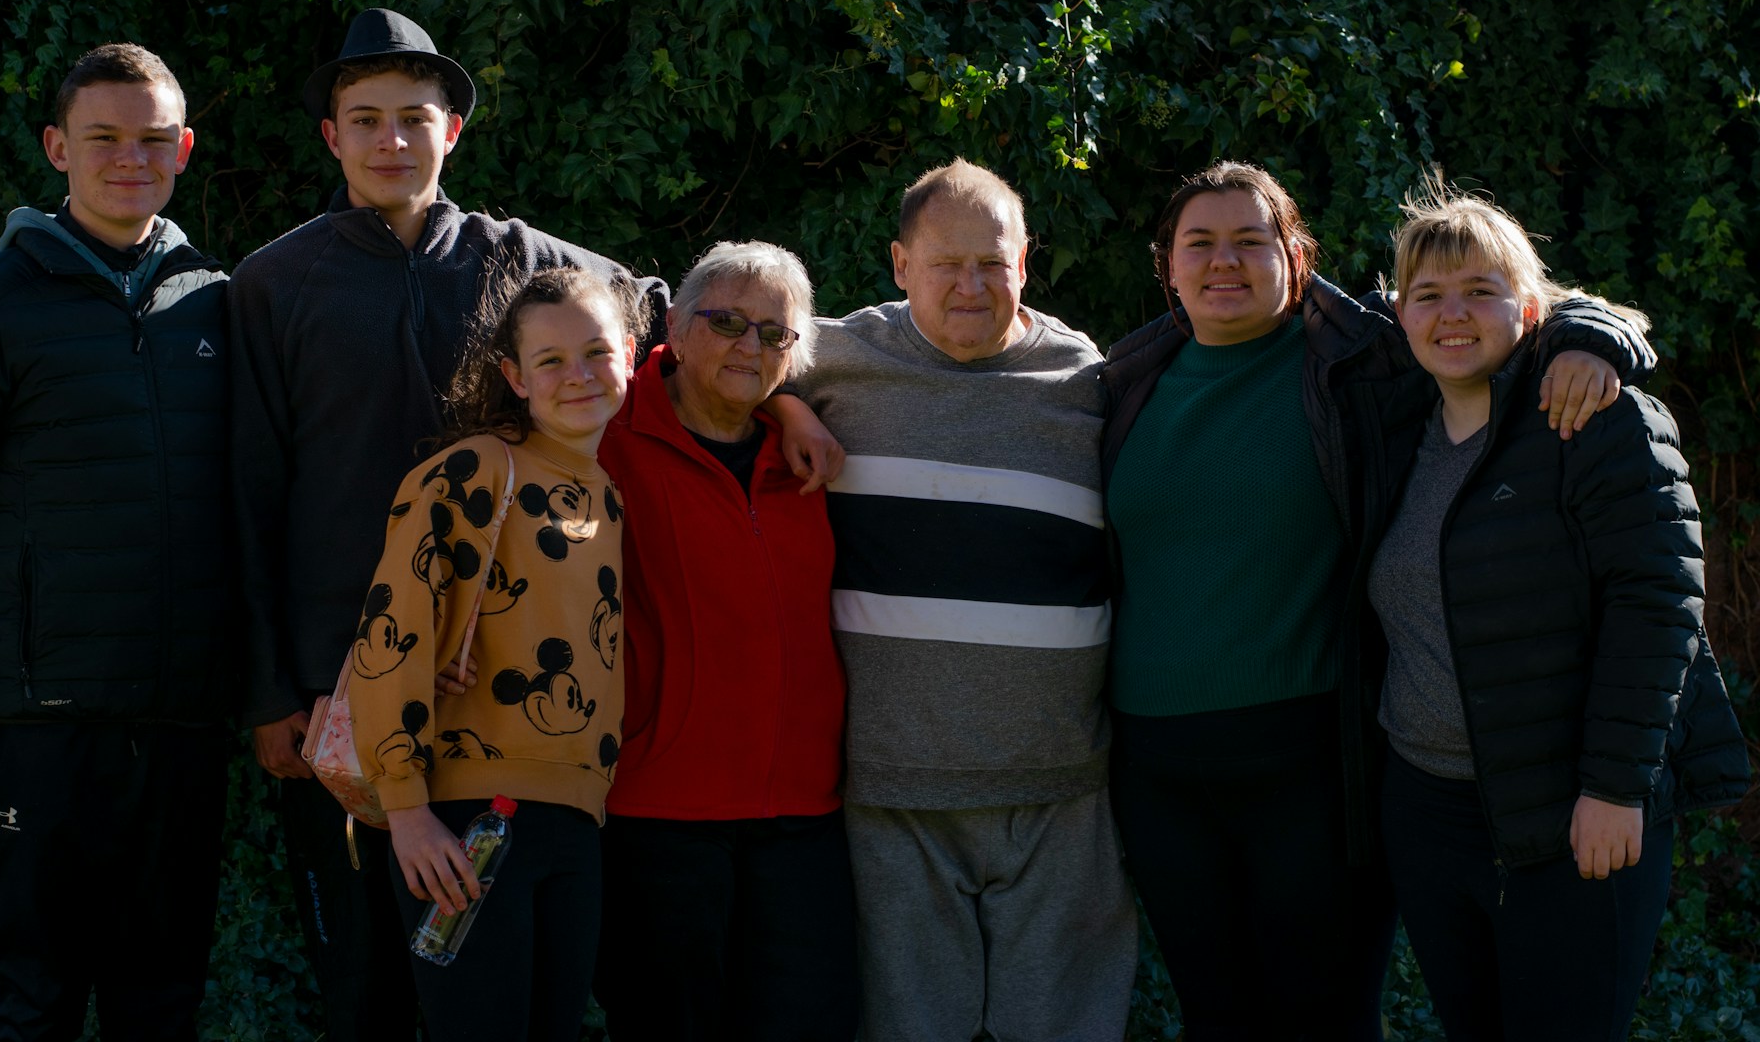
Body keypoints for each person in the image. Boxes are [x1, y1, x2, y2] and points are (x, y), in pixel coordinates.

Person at [1098, 161, 1655, 1041]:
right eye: (1199, 243)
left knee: (1325, 1015)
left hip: (1314, 758)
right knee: (1215, 1014)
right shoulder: (1119, 383)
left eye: (1253, 240)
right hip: (1157, 771)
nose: (1224, 261)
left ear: (1298, 257)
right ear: (1166, 263)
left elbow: (1508, 313)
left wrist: (1596, 340)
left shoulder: (1363, 365)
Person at [227, 7, 675, 1040]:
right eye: (367, 118)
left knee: (498, 992)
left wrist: (782, 396)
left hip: (502, 705)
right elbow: (249, 494)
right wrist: (268, 688)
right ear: (331, 135)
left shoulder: (518, 255)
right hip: (337, 691)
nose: (393, 140)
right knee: (365, 987)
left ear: (453, 132)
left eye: (415, 118)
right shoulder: (273, 283)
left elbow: (654, 309)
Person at [0, 44, 232, 1040]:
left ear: (184, 149)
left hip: (181, 725)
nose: (129, 158)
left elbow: (257, 507)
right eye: (103, 137)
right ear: (55, 147)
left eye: (153, 139)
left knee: (163, 1003)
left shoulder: (221, 306)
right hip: (32, 729)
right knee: (32, 1004)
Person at [1369, 190, 1749, 1041]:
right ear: (1400, 315)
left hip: (1574, 815)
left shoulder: (1596, 418)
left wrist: (1615, 787)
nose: (1452, 314)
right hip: (1427, 816)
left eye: (1480, 290)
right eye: (1427, 296)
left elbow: (1659, 607)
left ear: (1531, 308)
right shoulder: (1397, 430)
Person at [783, 158, 1136, 1041]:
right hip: (890, 788)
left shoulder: (1088, 379)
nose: (972, 286)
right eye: (946, 264)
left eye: (994, 262)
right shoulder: (826, 358)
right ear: (901, 265)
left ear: (1028, 260)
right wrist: (784, 407)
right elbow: (682, 350)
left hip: (1059, 786)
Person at [348, 266, 638, 1042]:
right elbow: (392, 631)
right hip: (467, 822)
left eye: (596, 352)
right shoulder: (476, 469)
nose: (576, 376)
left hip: (577, 824)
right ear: (513, 376)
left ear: (632, 354)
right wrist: (406, 812)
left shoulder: (609, 493)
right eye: (549, 361)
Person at [591, 240, 857, 1039]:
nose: (750, 346)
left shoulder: (811, 456)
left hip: (805, 817)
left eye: (774, 334)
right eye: (727, 322)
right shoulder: (603, 439)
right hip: (659, 813)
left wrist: (785, 408)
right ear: (674, 323)